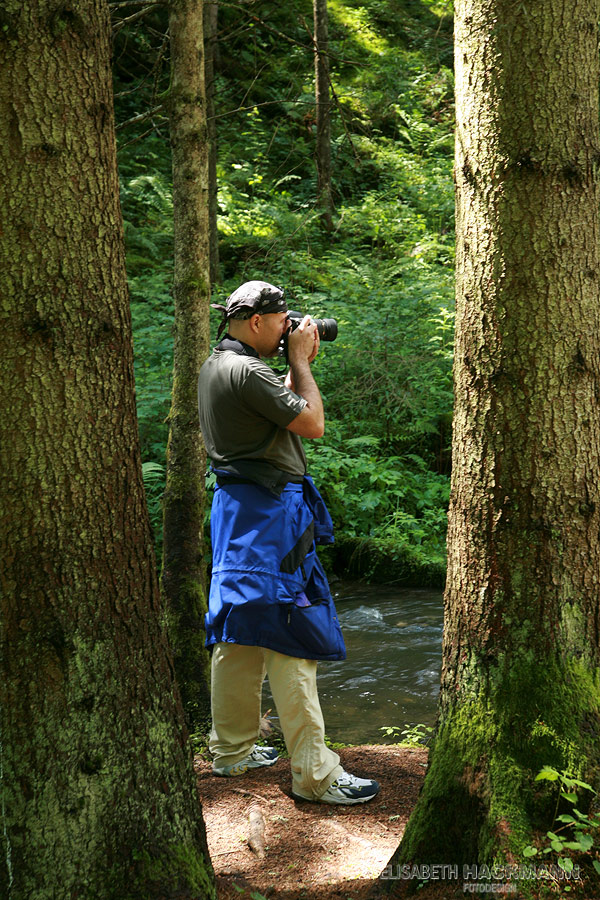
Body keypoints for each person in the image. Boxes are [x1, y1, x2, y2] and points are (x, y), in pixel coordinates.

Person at [198, 280, 380, 805]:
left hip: (235, 513)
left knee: (238, 629)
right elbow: (313, 422)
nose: (288, 331)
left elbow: (263, 406)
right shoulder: (251, 371)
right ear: (257, 321)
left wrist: (289, 359)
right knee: (291, 630)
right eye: (282, 323)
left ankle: (231, 751)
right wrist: (302, 363)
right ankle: (315, 774)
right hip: (274, 514)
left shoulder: (218, 366)